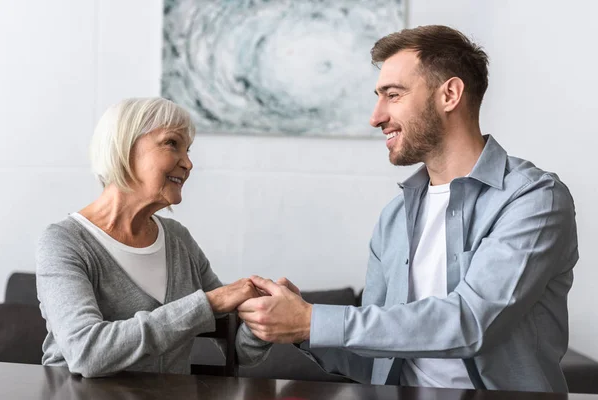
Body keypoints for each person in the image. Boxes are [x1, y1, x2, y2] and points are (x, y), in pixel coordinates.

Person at [237, 25, 579, 392]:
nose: (376, 116)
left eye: (393, 95)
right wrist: (296, 327)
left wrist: (313, 321)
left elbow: (472, 322)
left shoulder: (534, 199)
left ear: (449, 94)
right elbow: (377, 360)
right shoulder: (395, 217)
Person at [36, 97, 270, 378]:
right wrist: (208, 303)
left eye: (188, 150)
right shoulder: (64, 242)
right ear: (125, 147)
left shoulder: (178, 239)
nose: (188, 163)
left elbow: (238, 350)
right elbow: (87, 353)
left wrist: (264, 319)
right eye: (172, 143)